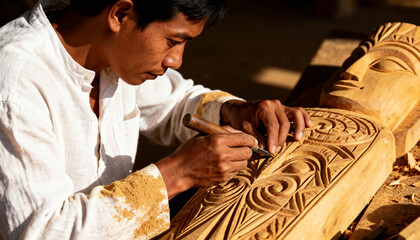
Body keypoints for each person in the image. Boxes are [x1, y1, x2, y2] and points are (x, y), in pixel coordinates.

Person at [0, 0, 311, 239]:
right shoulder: (16, 83)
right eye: (173, 41)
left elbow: (175, 102)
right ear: (120, 14)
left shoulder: (110, 53)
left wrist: (235, 111)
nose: (175, 60)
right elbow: (42, 231)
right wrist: (176, 174)